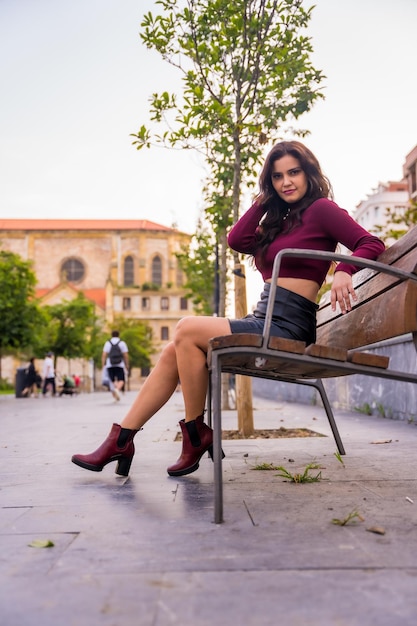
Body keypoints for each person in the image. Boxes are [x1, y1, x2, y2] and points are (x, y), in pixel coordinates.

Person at [72, 140, 385, 478]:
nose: (287, 182)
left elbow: (371, 243)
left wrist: (343, 270)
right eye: (277, 176)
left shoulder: (322, 209)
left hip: (289, 324)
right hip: (263, 318)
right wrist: (265, 199)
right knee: (171, 351)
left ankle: (194, 435)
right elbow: (237, 240)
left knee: (185, 329)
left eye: (294, 172)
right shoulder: (280, 221)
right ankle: (123, 438)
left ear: (308, 172)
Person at [102, 331, 129, 401]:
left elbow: (104, 355)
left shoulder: (108, 343)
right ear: (118, 335)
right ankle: (117, 389)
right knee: (121, 379)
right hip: (120, 364)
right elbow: (125, 355)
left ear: (111, 335)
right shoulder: (122, 343)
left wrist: (103, 364)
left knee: (112, 380)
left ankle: (115, 390)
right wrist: (126, 364)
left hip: (109, 364)